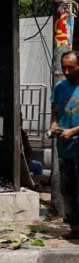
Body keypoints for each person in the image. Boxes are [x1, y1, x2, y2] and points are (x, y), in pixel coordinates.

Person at [50, 50, 79, 239]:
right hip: (65, 147)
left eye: (71, 68)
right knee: (67, 188)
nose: (67, 72)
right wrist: (53, 125)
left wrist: (73, 131)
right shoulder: (60, 87)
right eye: (64, 68)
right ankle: (75, 227)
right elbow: (55, 111)